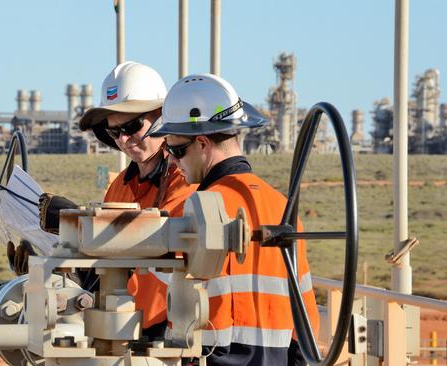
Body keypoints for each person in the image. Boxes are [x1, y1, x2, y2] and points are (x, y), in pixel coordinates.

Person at [146, 73, 319, 365]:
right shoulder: (284, 209)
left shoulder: (193, 211)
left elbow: (153, 307)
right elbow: (306, 322)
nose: (172, 161)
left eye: (175, 150)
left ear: (202, 143)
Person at [40, 61, 197, 338]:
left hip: (168, 330)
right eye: (114, 132)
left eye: (132, 126)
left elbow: (160, 238)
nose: (124, 140)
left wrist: (80, 223)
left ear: (162, 117)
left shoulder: (183, 180)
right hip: (120, 325)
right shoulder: (120, 185)